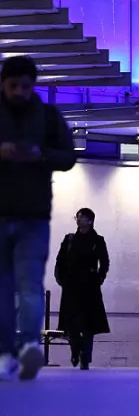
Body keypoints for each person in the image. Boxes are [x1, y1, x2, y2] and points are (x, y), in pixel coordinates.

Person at [0, 55, 77, 381]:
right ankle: (10, 351)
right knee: (15, 287)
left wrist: (40, 155)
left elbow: (69, 156)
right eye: (13, 85)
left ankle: (27, 346)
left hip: (33, 216)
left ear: (34, 86)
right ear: (3, 83)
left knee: (25, 285)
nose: (19, 91)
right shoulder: (47, 115)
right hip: (19, 213)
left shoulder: (47, 117)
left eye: (25, 86)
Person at [54, 208, 110, 370]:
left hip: (90, 286)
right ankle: (75, 351)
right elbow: (60, 260)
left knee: (88, 324)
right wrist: (61, 278)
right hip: (71, 285)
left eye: (82, 218)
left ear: (90, 220)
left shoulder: (97, 240)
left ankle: (86, 356)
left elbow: (104, 262)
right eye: (77, 217)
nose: (79, 220)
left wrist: (99, 278)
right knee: (72, 323)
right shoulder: (69, 239)